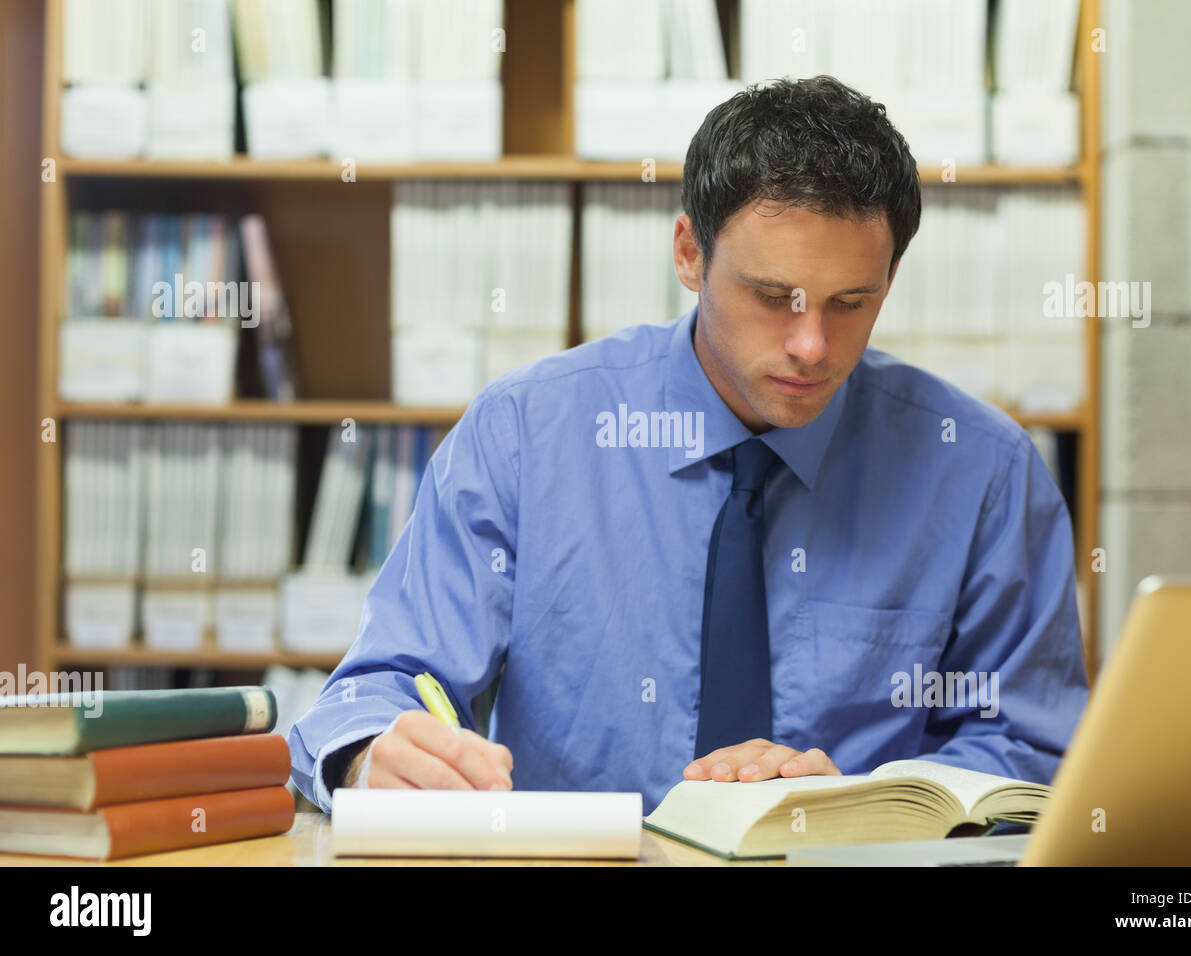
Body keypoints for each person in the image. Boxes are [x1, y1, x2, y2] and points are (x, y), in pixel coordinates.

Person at [289, 74, 1090, 815]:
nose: (812, 345)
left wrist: (867, 802)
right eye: (773, 297)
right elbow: (380, 686)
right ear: (688, 254)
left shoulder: (983, 472)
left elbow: (1029, 745)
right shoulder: (525, 437)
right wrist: (371, 755)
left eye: (851, 301)